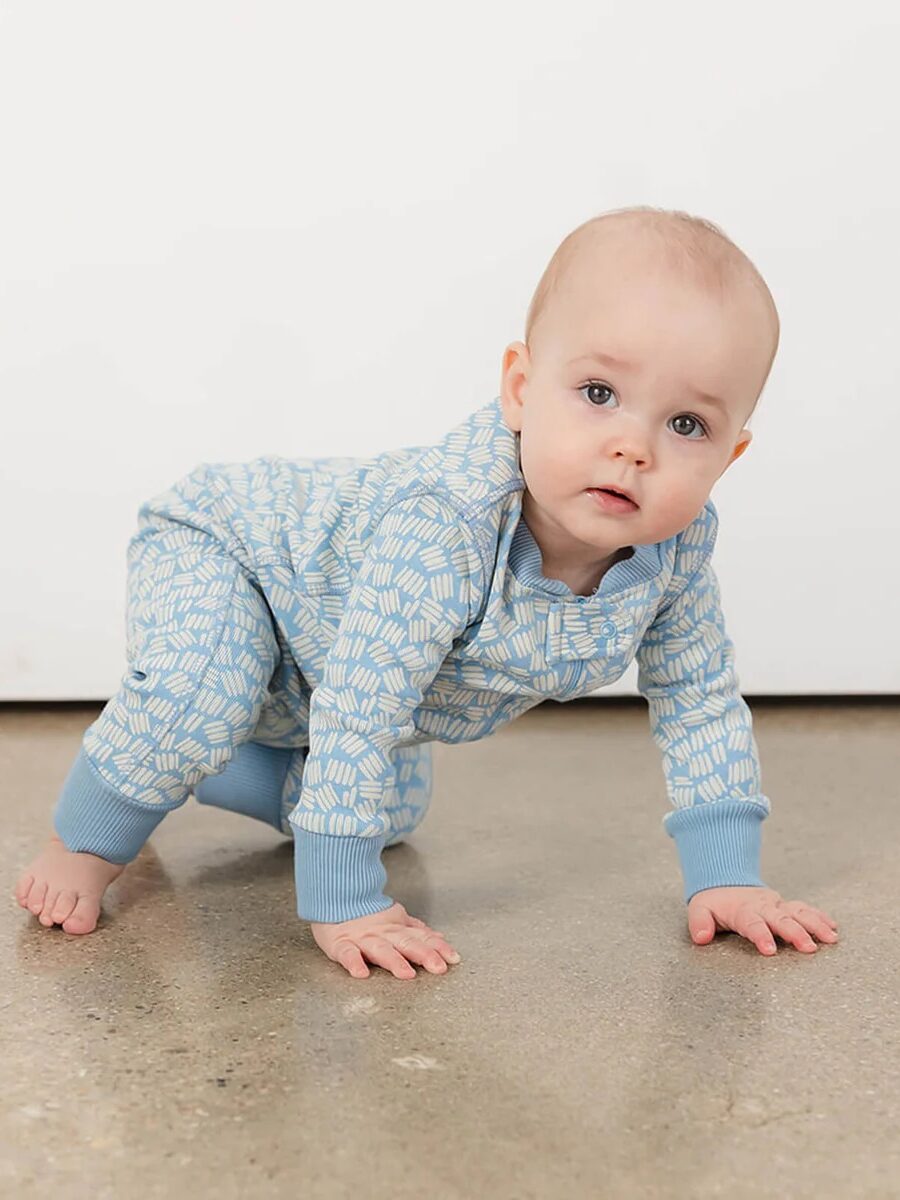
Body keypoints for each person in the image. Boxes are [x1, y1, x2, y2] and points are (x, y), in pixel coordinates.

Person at [14, 205, 839, 978]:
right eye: (599, 395)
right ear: (520, 389)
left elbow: (698, 699)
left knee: (392, 812)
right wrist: (344, 901)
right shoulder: (448, 522)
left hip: (325, 667)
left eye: (686, 425)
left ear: (730, 455)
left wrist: (726, 875)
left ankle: (221, 756)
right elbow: (364, 704)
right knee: (204, 693)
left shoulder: (676, 550)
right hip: (237, 554)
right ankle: (83, 845)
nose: (633, 447)